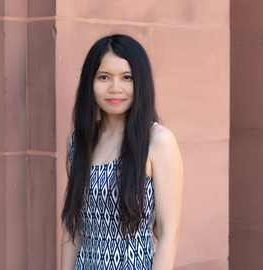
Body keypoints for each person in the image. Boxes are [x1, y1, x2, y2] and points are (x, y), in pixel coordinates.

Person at [61, 34, 183, 270]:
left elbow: (169, 232)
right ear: (90, 82)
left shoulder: (158, 141)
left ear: (140, 83)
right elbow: (73, 227)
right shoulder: (78, 141)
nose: (115, 88)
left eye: (127, 77)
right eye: (104, 77)